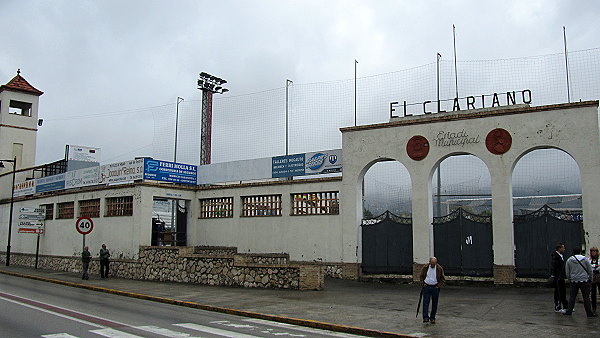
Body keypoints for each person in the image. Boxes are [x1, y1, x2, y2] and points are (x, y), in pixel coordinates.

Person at [564, 246, 597, 317]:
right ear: (580, 252)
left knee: (572, 297)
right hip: (584, 280)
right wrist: (590, 279)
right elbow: (590, 270)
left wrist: (570, 279)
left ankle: (569, 311)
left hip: (574, 281)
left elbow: (567, 272)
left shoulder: (569, 260)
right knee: (586, 297)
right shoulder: (585, 259)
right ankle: (589, 313)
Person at [419, 256, 446, 324]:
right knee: (425, 302)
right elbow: (421, 276)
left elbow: (443, 278)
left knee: (435, 303)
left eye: (434, 264)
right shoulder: (425, 267)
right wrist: (422, 283)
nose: (433, 265)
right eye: (432, 263)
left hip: (435, 287)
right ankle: (425, 317)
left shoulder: (439, 268)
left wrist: (438, 286)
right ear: (429, 262)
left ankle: (432, 318)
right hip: (427, 286)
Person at [550, 243, 568, 312]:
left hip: (561, 276)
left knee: (562, 291)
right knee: (558, 292)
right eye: (563, 248)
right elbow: (554, 267)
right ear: (559, 248)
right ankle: (558, 306)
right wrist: (555, 275)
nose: (564, 249)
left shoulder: (560, 256)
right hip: (558, 277)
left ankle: (566, 306)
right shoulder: (556, 256)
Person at [588, 247, 600, 314]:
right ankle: (594, 308)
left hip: (599, 276)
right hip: (592, 277)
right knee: (593, 294)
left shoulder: (599, 259)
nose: (593, 253)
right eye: (592, 251)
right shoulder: (589, 260)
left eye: (595, 251)